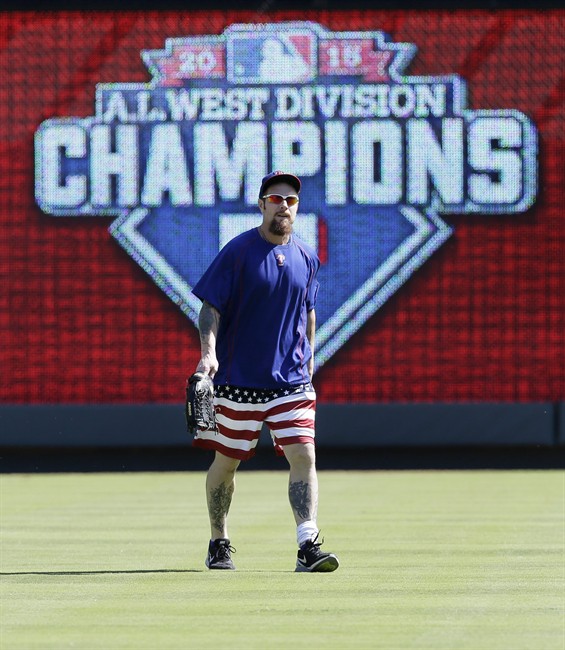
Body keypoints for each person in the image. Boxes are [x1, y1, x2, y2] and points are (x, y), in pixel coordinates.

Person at [191, 170, 339, 573]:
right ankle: (219, 540)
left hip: (291, 382)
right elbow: (210, 307)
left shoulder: (307, 257)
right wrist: (209, 352)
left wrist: (309, 356)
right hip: (239, 381)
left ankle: (307, 544)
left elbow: (307, 309)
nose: (284, 206)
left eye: (290, 200)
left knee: (303, 455)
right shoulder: (238, 251)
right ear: (261, 204)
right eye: (276, 199)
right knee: (227, 462)